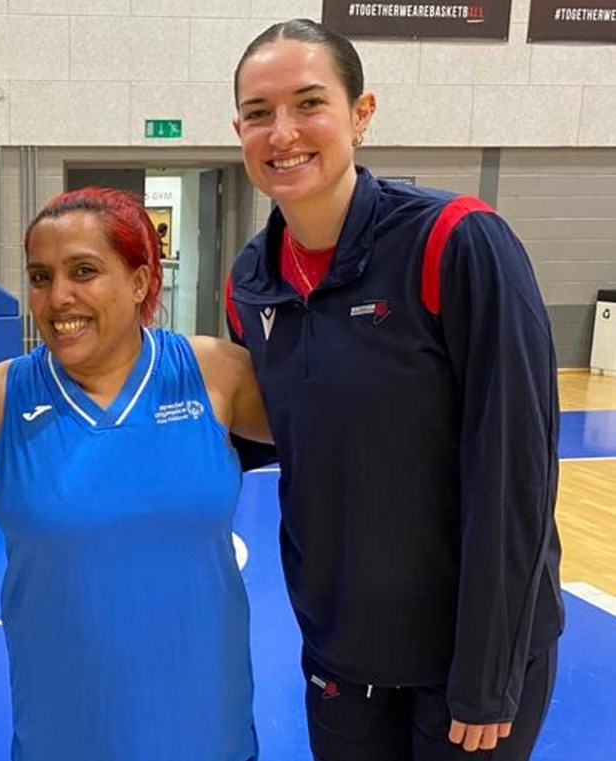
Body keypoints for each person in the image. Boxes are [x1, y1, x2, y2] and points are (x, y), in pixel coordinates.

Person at [226, 18, 563, 761]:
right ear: (239, 129)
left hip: (461, 661)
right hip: (342, 657)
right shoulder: (250, 281)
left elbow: (515, 474)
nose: (283, 132)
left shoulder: (458, 240)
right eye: (259, 113)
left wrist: (485, 674)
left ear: (362, 113)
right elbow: (261, 436)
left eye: (309, 103)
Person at [0, 187, 272, 761]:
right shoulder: (2, 396)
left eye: (83, 271)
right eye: (40, 276)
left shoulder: (214, 373)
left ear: (139, 282)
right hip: (63, 734)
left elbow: (339, 445)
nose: (58, 297)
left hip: (207, 733)